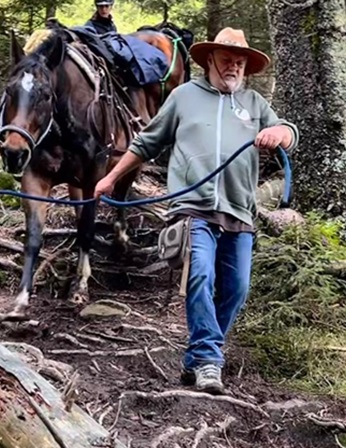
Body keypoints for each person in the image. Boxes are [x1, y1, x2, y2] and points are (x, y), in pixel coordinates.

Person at [93, 28, 299, 395]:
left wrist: (279, 134)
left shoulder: (253, 103)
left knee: (237, 289)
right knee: (200, 276)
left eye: (239, 62)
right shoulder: (184, 96)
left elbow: (288, 133)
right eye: (226, 60)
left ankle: (195, 357)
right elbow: (147, 141)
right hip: (193, 209)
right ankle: (207, 360)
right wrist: (111, 178)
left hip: (239, 211)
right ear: (209, 61)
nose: (233, 67)